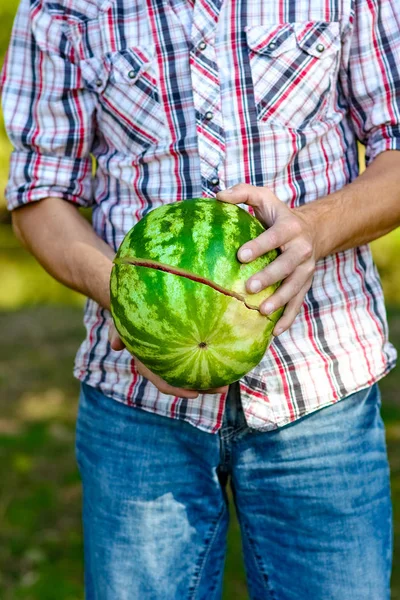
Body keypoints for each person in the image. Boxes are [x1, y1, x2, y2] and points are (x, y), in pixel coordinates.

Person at [1, 0, 399, 597]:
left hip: (321, 384)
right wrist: (130, 296)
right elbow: (38, 194)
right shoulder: (58, 8)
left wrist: (311, 230)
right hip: (135, 404)